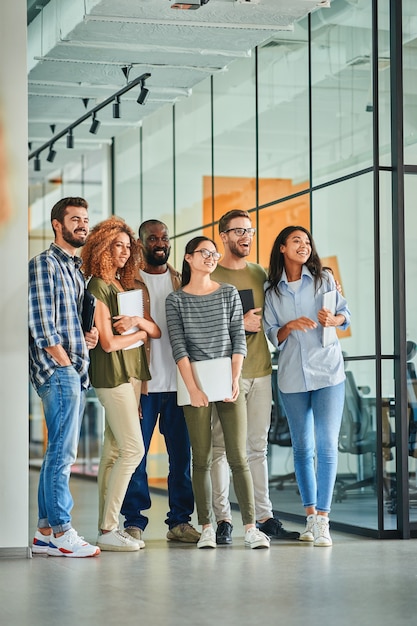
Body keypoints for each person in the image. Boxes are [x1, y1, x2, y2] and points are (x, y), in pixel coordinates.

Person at [166, 235, 270, 549]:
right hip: (193, 380)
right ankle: (207, 526)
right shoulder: (176, 300)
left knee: (238, 457)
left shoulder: (227, 293)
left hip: (227, 378)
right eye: (204, 253)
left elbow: (238, 338)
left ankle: (251, 528)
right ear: (188, 258)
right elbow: (179, 347)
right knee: (201, 458)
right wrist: (195, 389)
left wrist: (234, 379)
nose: (211, 257)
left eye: (214, 253)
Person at [210, 209, 300, 545]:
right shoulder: (212, 275)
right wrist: (238, 324)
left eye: (249, 230)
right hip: (224, 373)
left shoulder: (260, 274)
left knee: (256, 448)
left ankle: (264, 517)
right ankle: (223, 519)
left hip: (261, 371)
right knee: (220, 449)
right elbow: (199, 326)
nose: (245, 236)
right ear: (223, 236)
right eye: (237, 231)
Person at [263, 225, 351, 547]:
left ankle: (324, 520)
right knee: (303, 447)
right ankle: (311, 515)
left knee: (327, 444)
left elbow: (345, 314)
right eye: (296, 241)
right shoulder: (272, 291)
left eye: (307, 241)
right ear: (283, 248)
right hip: (291, 377)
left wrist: (335, 320)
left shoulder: (324, 279)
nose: (304, 245)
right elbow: (272, 334)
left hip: (328, 372)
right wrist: (290, 326)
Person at [81, 216, 161, 552]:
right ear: (102, 247)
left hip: (129, 378)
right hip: (112, 377)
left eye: (129, 247)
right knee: (133, 450)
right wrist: (140, 331)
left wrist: (140, 328)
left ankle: (105, 528)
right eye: (118, 246)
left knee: (114, 452)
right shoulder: (98, 286)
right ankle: (110, 527)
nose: (125, 252)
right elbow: (110, 343)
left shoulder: (121, 286)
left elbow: (147, 334)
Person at [29, 196, 100, 558]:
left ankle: (44, 533)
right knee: (63, 451)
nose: (82, 225)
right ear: (58, 224)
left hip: (71, 367)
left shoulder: (75, 269)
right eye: (75, 219)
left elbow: (69, 323)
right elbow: (42, 325)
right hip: (59, 371)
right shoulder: (45, 264)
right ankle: (61, 530)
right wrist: (65, 364)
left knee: (58, 449)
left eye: (85, 219)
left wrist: (90, 338)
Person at [121, 220, 198, 545]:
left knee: (181, 458)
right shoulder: (129, 281)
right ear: (141, 243)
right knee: (136, 457)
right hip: (145, 385)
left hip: (180, 384)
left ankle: (179, 521)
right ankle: (134, 522)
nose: (160, 242)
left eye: (164, 237)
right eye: (153, 238)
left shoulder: (183, 280)